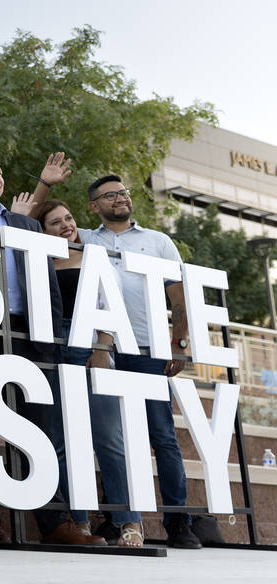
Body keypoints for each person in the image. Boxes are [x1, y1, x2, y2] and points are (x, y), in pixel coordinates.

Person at [0, 152, 105, 546]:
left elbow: (48, 286)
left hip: (31, 335)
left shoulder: (24, 225)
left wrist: (52, 335)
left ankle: (54, 524)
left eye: (0, 171)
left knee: (40, 430)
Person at [11, 181, 144, 548]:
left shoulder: (95, 256)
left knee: (109, 439)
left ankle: (129, 521)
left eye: (68, 218)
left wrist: (103, 349)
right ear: (43, 230)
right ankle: (79, 521)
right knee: (61, 443)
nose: (66, 225)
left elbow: (109, 306)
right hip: (54, 349)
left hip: (91, 344)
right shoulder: (37, 261)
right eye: (55, 222)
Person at [78, 173, 202, 550]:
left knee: (162, 436)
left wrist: (179, 343)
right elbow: (39, 221)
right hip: (104, 351)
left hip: (148, 350)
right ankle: (119, 519)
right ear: (94, 205)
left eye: (123, 192)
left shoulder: (158, 241)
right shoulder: (85, 239)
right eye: (110, 195)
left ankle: (178, 521)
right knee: (109, 439)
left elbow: (179, 296)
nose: (120, 199)